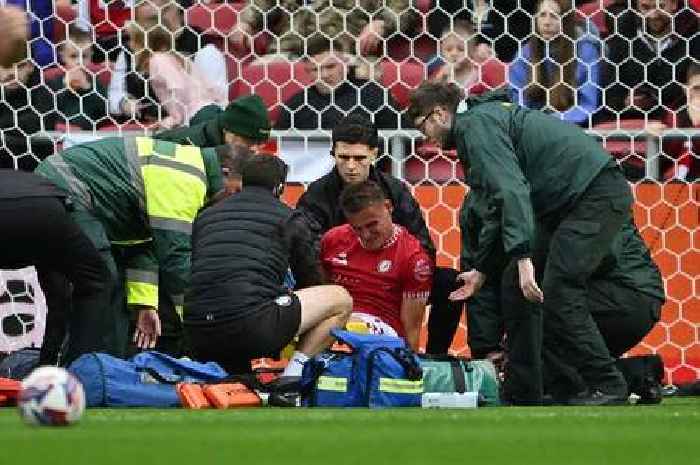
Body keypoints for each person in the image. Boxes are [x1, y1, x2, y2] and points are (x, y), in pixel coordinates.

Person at [409, 81, 633, 405]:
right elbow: (502, 206)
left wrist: (524, 258)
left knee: (559, 289)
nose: (424, 136)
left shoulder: (475, 126)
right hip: (571, 199)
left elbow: (512, 192)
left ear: (440, 113)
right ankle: (526, 390)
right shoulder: (482, 120)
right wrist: (483, 270)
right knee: (517, 287)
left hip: (591, 194)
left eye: (423, 125)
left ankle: (608, 384)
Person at [34, 136, 244, 358]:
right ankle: (82, 371)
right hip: (64, 188)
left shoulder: (188, 168)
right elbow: (175, 259)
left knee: (91, 292)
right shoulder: (188, 179)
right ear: (226, 171)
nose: (233, 200)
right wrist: (199, 322)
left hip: (68, 189)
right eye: (237, 191)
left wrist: (145, 305)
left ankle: (81, 368)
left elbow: (141, 245)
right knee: (100, 282)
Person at [460, 184, 665, 400]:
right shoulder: (479, 203)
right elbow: (478, 284)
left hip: (623, 294)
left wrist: (536, 260)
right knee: (530, 373)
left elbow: (605, 256)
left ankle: (613, 382)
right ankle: (635, 373)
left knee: (530, 361)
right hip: (623, 296)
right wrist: (488, 351)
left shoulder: (565, 189)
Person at [296, 114, 462, 354]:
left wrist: (392, 278)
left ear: (374, 154)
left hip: (393, 282)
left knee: (451, 283)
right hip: (340, 286)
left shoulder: (395, 191)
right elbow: (306, 257)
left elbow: (424, 247)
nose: (351, 166)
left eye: (359, 158)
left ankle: (435, 358)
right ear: (333, 154)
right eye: (343, 157)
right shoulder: (316, 195)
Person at [185, 154, 352, 376]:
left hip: (196, 328)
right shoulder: (290, 218)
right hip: (251, 327)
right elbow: (311, 282)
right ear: (280, 187)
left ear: (243, 182)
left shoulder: (206, 216)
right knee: (339, 299)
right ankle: (293, 375)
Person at [0, 170, 109, 365]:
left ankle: (61, 369)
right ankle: (77, 373)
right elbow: (59, 301)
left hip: (44, 206)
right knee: (95, 282)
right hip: (46, 209)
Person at [321, 181, 432, 350]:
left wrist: (409, 369)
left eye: (372, 225)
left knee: (343, 323)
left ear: (388, 207)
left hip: (384, 332)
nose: (365, 235)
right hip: (335, 319)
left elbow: (412, 329)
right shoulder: (333, 239)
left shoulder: (415, 259)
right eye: (357, 228)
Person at [275, 35, 401, 130]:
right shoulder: (297, 104)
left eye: (330, 67)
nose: (324, 75)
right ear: (307, 71)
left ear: (345, 64)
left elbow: (404, 134)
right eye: (315, 69)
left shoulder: (373, 93)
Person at [508, 0, 602, 127]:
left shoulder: (585, 51)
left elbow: (587, 104)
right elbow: (518, 101)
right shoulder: (524, 53)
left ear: (566, 20)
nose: (547, 23)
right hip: (533, 127)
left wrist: (551, 121)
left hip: (573, 127)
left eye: (554, 16)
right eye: (542, 15)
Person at [604, 0, 699, 120]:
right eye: (645, 7)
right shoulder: (625, 30)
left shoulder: (695, 33)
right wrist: (626, 103)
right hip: (633, 122)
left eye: (660, 6)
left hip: (681, 121)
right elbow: (610, 93)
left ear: (674, 4)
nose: (653, 15)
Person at [127, 22, 228, 130]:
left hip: (199, 116)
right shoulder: (176, 57)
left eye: (133, 40)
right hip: (206, 111)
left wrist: (176, 118)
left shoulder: (158, 59)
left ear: (143, 42)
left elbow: (177, 86)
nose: (129, 44)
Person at [155, 94, 272, 151]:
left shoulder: (226, 148)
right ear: (228, 131)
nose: (255, 149)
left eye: (260, 143)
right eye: (249, 141)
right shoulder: (186, 147)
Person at [46, 25, 108, 131]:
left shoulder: (94, 82)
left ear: (91, 56)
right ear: (63, 56)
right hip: (60, 134)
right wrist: (64, 87)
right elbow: (48, 110)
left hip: (86, 134)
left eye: (84, 56)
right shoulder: (54, 82)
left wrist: (87, 88)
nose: (79, 62)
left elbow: (104, 112)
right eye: (73, 56)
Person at [0, 59, 55, 170]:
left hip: (35, 167)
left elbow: (39, 122)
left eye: (19, 67)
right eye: (6, 66)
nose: (12, 72)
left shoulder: (44, 88)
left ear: (30, 66)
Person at [428, 20, 506, 97]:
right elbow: (427, 97)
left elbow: (499, 95)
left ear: (472, 51)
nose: (454, 54)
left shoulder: (480, 76)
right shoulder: (439, 74)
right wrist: (441, 79)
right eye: (448, 49)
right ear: (441, 51)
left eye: (461, 49)